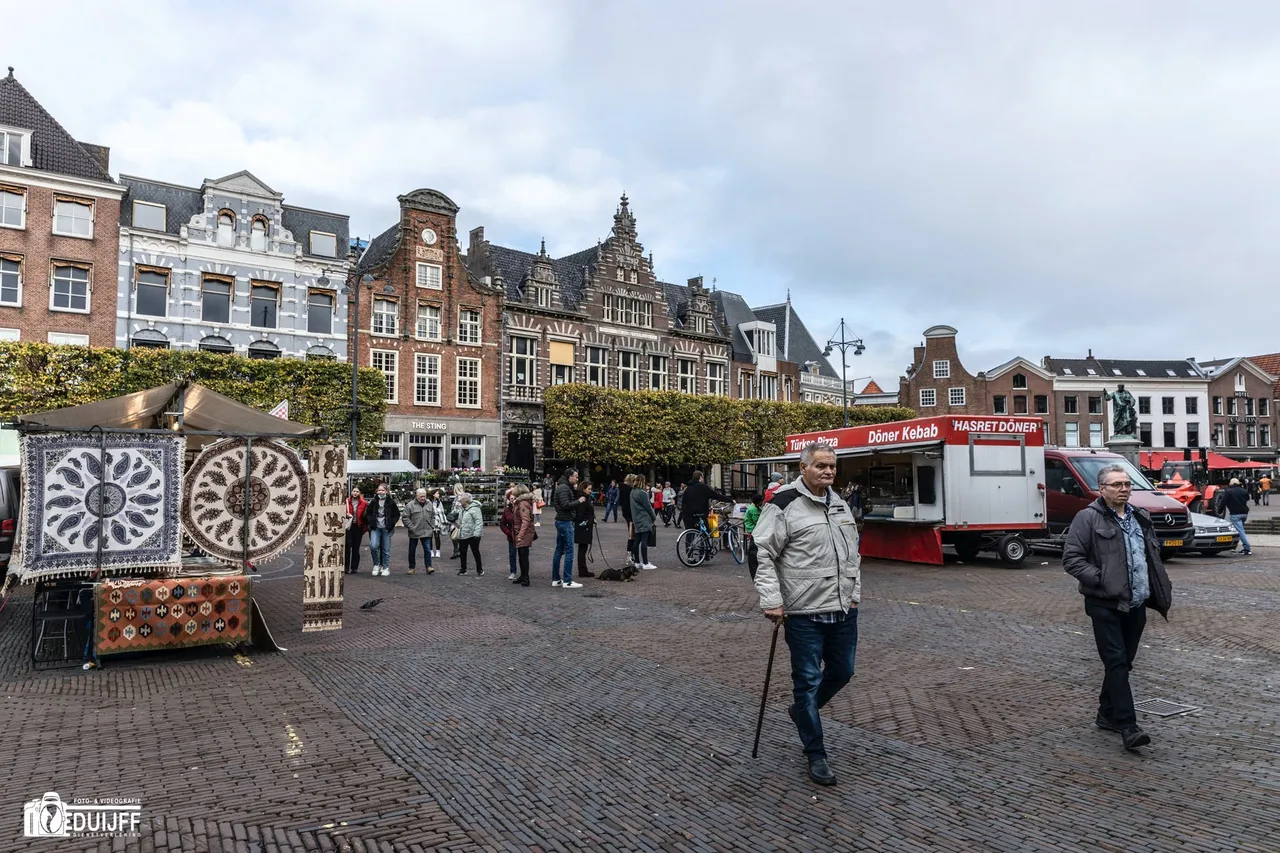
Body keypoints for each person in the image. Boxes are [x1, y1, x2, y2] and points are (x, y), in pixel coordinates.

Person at [752, 443, 861, 787]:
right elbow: (762, 553)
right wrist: (772, 600)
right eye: (821, 466)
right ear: (803, 467)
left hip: (841, 608)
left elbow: (852, 554)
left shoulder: (840, 503)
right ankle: (816, 753)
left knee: (843, 671)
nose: (828, 471)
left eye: (832, 466)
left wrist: (855, 594)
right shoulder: (783, 504)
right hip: (802, 612)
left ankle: (802, 712)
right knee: (808, 680)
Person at [1063, 462, 1174, 751]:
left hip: (1135, 602)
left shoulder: (1140, 517)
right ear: (1102, 489)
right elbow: (1072, 559)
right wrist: (1101, 579)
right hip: (1104, 603)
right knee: (1115, 661)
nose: (1124, 489)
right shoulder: (1087, 518)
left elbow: (1149, 553)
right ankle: (1128, 726)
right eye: (1116, 484)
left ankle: (1106, 714)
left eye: (1127, 484)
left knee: (1122, 664)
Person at [551, 468, 585, 589]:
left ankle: (556, 579)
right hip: (565, 521)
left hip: (562, 520)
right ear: (569, 477)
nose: (577, 479)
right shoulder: (564, 488)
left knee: (559, 550)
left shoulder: (563, 487)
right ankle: (567, 580)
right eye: (575, 476)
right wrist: (579, 501)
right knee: (569, 550)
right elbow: (565, 505)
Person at [361, 483, 400, 577]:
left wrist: (391, 524)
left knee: (386, 548)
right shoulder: (374, 501)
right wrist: (371, 522)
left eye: (382, 490)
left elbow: (397, 514)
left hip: (386, 528)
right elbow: (367, 513)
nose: (380, 492)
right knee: (373, 546)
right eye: (379, 490)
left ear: (386, 491)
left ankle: (385, 567)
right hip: (376, 527)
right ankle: (376, 564)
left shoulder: (391, 502)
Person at [402, 488, 436, 575]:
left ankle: (428, 566)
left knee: (427, 549)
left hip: (427, 531)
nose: (423, 498)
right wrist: (411, 527)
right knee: (412, 550)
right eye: (421, 496)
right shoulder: (410, 505)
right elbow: (405, 518)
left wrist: (432, 526)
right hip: (414, 532)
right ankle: (411, 567)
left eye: (424, 496)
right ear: (416, 496)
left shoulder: (429, 504)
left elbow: (433, 515)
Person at [629, 474, 658, 570]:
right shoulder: (642, 493)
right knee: (644, 541)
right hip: (644, 519)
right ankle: (645, 563)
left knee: (637, 541)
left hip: (636, 519)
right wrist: (653, 517)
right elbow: (648, 507)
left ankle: (637, 561)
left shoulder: (632, 492)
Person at [453, 492, 485, 576]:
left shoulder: (475, 509)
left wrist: (476, 534)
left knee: (475, 552)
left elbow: (478, 522)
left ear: (466, 500)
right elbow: (460, 521)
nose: (459, 500)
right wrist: (456, 523)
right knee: (462, 552)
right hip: (463, 534)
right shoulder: (461, 509)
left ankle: (479, 569)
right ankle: (463, 569)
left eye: (461, 499)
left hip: (473, 535)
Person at [511, 483, 536, 586]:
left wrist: (520, 535)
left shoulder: (522, 504)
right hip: (522, 531)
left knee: (523, 555)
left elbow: (525, 520)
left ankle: (525, 577)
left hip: (523, 532)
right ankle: (523, 575)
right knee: (522, 555)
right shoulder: (522, 503)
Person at [1220, 477, 1252, 556]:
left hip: (1235, 513)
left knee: (1240, 531)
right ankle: (1236, 546)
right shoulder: (1243, 490)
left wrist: (1220, 511)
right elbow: (1247, 498)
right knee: (1240, 530)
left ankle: (1247, 548)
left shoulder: (1228, 492)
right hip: (1244, 513)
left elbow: (1223, 502)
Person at [343, 487, 368, 575]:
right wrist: (346, 514)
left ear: (359, 493)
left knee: (356, 548)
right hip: (348, 526)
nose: (355, 493)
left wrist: (365, 527)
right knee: (347, 547)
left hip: (358, 527)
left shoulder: (364, 503)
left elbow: (366, 515)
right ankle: (346, 567)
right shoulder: (346, 502)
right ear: (351, 492)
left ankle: (354, 567)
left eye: (357, 491)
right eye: (354, 491)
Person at [575, 480, 597, 577]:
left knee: (583, 548)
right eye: (589, 489)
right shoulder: (583, 499)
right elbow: (582, 514)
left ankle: (583, 569)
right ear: (584, 489)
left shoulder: (585, 498)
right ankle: (582, 570)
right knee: (582, 548)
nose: (590, 491)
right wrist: (591, 519)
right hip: (584, 526)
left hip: (585, 525)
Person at [499, 483, 519, 580]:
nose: (513, 499)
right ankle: (513, 571)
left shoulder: (521, 507)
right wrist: (508, 532)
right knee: (512, 554)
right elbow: (502, 524)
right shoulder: (506, 510)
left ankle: (524, 572)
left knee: (523, 554)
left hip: (521, 534)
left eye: (514, 497)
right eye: (511, 498)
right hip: (511, 535)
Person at [744, 492, 764, 578]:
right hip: (754, 530)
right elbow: (757, 521)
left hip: (751, 529)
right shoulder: (754, 510)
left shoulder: (753, 507)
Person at [620, 474, 636, 564]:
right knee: (632, 535)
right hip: (631, 515)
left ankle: (631, 554)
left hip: (627, 514)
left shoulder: (623, 489)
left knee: (632, 535)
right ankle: (630, 554)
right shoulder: (628, 490)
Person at [430, 490, 449, 558]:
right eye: (437, 493)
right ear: (433, 494)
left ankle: (438, 551)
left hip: (437, 522)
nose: (438, 494)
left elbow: (442, 511)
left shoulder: (439, 502)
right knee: (429, 537)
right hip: (430, 521)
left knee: (437, 536)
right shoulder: (429, 502)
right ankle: (431, 551)